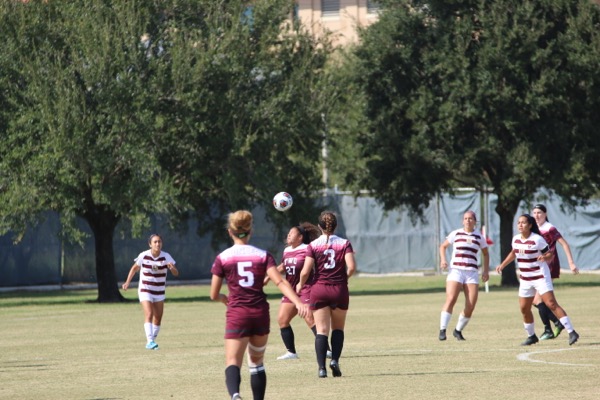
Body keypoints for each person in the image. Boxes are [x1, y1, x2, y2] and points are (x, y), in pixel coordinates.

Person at [210, 210, 309, 400]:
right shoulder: (262, 256)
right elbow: (280, 281)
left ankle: (236, 395)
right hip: (259, 313)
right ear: (250, 232)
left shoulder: (223, 257)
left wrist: (224, 299)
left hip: (237, 313)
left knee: (233, 361)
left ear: (230, 232)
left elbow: (213, 294)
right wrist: (297, 301)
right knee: (256, 363)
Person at [495, 214, 579, 346]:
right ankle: (531, 336)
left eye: (523, 223)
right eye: (519, 223)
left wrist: (545, 257)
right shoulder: (516, 239)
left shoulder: (537, 239)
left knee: (551, 304)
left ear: (530, 225)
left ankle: (572, 331)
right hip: (525, 279)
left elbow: (550, 253)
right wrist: (503, 265)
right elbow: (514, 252)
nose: (520, 225)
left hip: (540, 277)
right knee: (524, 308)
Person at [297, 211, 356, 378]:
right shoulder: (344, 243)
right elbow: (351, 267)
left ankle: (321, 368)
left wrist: (300, 285)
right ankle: (335, 360)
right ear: (336, 226)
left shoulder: (313, 245)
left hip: (319, 289)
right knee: (338, 329)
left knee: (322, 330)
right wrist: (343, 279)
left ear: (319, 227)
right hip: (339, 290)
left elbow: (305, 271)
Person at [272, 222, 332, 360]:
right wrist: (268, 276)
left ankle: (327, 350)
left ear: (300, 237)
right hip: (290, 291)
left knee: (309, 318)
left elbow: (322, 258)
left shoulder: (307, 248)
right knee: (282, 320)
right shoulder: (287, 251)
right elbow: (283, 266)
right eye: (288, 234)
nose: (288, 235)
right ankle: (291, 352)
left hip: (306, 288)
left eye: (291, 233)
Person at [122, 233, 179, 350]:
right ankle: (150, 341)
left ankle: (152, 340)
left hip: (159, 291)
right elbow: (134, 268)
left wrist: (172, 268)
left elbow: (176, 273)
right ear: (150, 244)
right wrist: (127, 282)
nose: (158, 244)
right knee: (149, 314)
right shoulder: (144, 255)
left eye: (159, 242)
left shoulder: (166, 256)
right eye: (155, 242)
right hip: (145, 289)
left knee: (158, 318)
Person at [438, 211, 490, 341]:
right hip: (456, 270)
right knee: (451, 299)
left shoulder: (479, 237)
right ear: (463, 221)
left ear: (475, 221)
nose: (468, 221)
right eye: (466, 219)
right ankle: (442, 330)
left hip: (471, 272)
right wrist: (443, 260)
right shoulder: (456, 233)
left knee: (471, 305)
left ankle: (458, 330)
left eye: (470, 219)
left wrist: (485, 271)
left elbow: (486, 254)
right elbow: (443, 246)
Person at [532, 204, 579, 340]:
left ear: (545, 214)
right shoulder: (535, 229)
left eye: (539, 212)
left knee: (538, 299)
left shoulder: (549, 228)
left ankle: (551, 328)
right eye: (534, 213)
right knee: (537, 301)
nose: (536, 215)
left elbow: (564, 244)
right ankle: (556, 324)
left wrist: (571, 263)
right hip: (539, 266)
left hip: (549, 265)